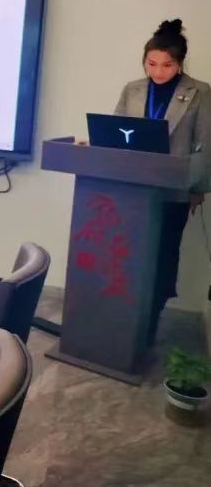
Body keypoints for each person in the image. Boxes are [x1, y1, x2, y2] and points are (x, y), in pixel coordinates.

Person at [115, 18, 211, 338]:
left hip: (173, 189)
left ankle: (149, 326)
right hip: (132, 189)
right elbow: (114, 131)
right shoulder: (132, 89)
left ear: (180, 63)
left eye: (167, 65)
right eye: (151, 63)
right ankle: (124, 320)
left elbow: (205, 145)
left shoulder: (199, 92)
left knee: (162, 257)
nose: (158, 72)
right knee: (129, 255)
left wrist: (198, 188)